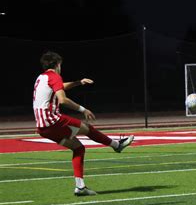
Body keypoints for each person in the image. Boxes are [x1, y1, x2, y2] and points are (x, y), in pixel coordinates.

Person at [33, 51, 134, 196]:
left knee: (78, 148)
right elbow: (62, 99)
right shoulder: (54, 76)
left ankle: (80, 187)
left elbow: (59, 86)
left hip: (42, 127)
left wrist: (78, 82)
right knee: (88, 129)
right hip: (52, 121)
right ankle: (117, 145)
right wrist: (83, 109)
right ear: (57, 64)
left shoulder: (41, 77)